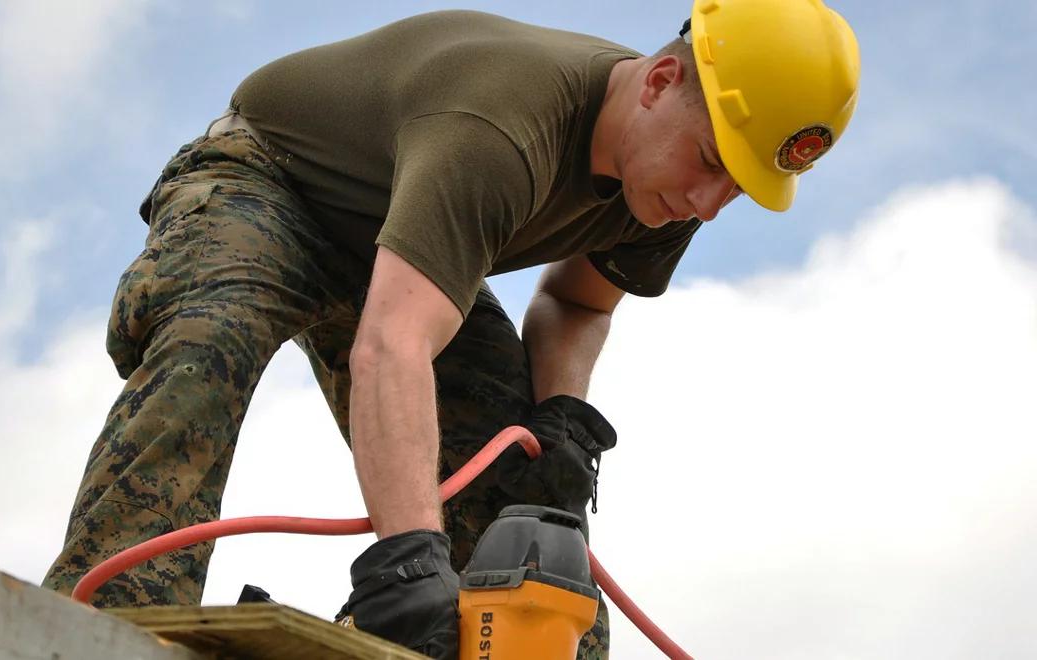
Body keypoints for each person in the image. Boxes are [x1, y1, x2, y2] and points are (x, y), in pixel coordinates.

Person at [42, 2, 860, 658]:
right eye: (713, 163)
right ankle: (102, 621)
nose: (710, 204)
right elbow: (392, 345)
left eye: (742, 188)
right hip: (272, 183)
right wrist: (406, 563)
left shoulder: (670, 182)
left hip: (403, 248)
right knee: (208, 346)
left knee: (521, 482)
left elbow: (576, 305)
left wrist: (560, 412)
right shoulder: (502, 127)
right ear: (660, 83)